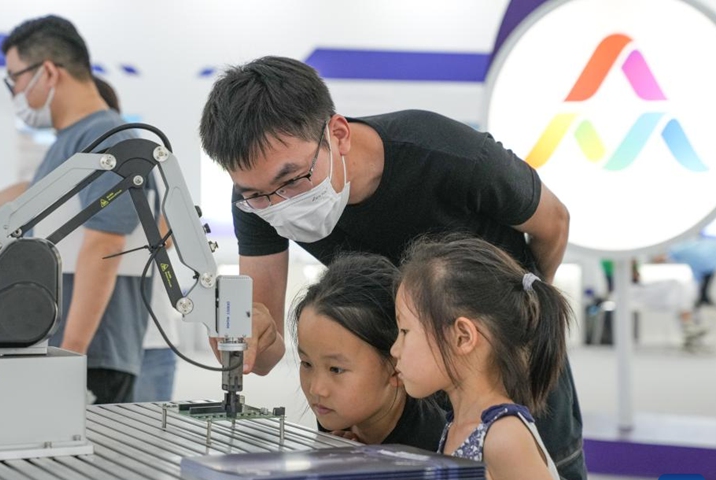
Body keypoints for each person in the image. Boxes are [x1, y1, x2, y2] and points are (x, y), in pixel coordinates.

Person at [199, 56, 584, 478]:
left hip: (509, 373)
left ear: (338, 134)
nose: (278, 204)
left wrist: (523, 311)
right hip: (407, 395)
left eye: (292, 181)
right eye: (257, 194)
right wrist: (247, 336)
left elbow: (554, 222)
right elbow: (267, 344)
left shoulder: (445, 154)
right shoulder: (258, 201)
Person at [0, 15, 153, 404]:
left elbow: (104, 246)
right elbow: (35, 192)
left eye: (14, 78)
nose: (13, 91)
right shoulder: (74, 139)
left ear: (47, 72)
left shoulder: (108, 138)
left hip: (93, 355)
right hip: (62, 349)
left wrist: (70, 359)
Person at [391, 236, 569, 479]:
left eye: (404, 332)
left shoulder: (504, 437)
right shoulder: (458, 426)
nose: (394, 349)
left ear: (462, 337)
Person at [290, 253, 446, 451]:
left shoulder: (432, 450)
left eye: (336, 369)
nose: (316, 389)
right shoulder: (338, 415)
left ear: (396, 367)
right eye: (306, 364)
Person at [92, 74, 178, 401]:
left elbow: (167, 233)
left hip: (150, 339)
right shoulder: (73, 172)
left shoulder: (141, 163)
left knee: (147, 443)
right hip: (103, 340)